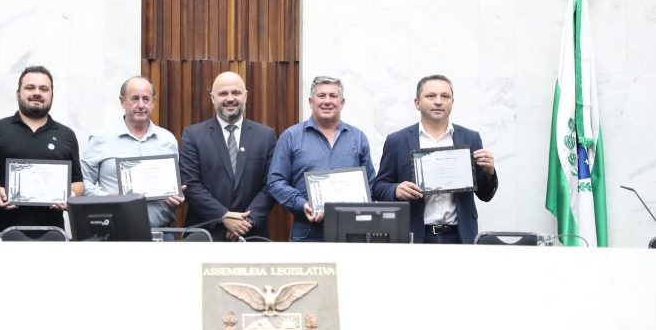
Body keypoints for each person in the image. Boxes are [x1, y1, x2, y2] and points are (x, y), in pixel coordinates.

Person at [372, 74, 498, 244]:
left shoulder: (470, 138)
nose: (438, 101)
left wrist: (489, 172)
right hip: (414, 236)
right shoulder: (397, 140)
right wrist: (395, 190)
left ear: (452, 102)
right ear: (417, 103)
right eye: (431, 96)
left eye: (445, 96)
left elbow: (485, 195)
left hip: (459, 236)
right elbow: (379, 187)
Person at [267, 76, 375, 242]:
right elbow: (275, 182)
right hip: (308, 232)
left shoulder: (358, 138)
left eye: (333, 96)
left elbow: (370, 183)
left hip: (352, 233)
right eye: (321, 96)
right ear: (311, 102)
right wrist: (302, 204)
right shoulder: (291, 137)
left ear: (342, 102)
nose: (327, 101)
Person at [0, 66, 84, 236]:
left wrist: (70, 195)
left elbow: (78, 183)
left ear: (52, 95)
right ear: (18, 93)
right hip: (3, 234)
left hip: (53, 234)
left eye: (44, 89)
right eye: (30, 87)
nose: (37, 92)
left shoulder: (66, 135)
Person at [179, 71, 276, 241]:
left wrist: (246, 221)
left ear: (245, 96)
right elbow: (191, 184)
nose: (230, 98)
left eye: (236, 93)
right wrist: (224, 216)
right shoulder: (193, 135)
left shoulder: (266, 136)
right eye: (223, 93)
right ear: (212, 98)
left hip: (252, 235)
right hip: (206, 234)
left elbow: (272, 185)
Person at [80, 76, 185, 229]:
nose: (141, 105)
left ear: (153, 102)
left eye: (146, 99)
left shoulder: (167, 140)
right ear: (122, 101)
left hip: (160, 232)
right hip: (113, 231)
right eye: (135, 98)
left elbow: (174, 185)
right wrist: (108, 198)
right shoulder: (100, 138)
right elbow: (83, 182)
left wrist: (177, 196)